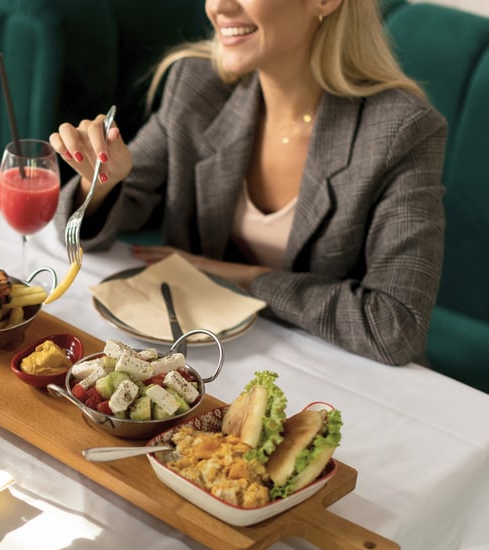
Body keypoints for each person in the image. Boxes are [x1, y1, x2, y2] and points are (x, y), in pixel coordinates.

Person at [49, 0, 446, 366]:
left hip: (335, 374)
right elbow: (99, 223)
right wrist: (100, 184)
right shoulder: (197, 86)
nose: (219, 7)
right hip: (200, 362)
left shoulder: (400, 131)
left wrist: (241, 275)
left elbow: (395, 327)